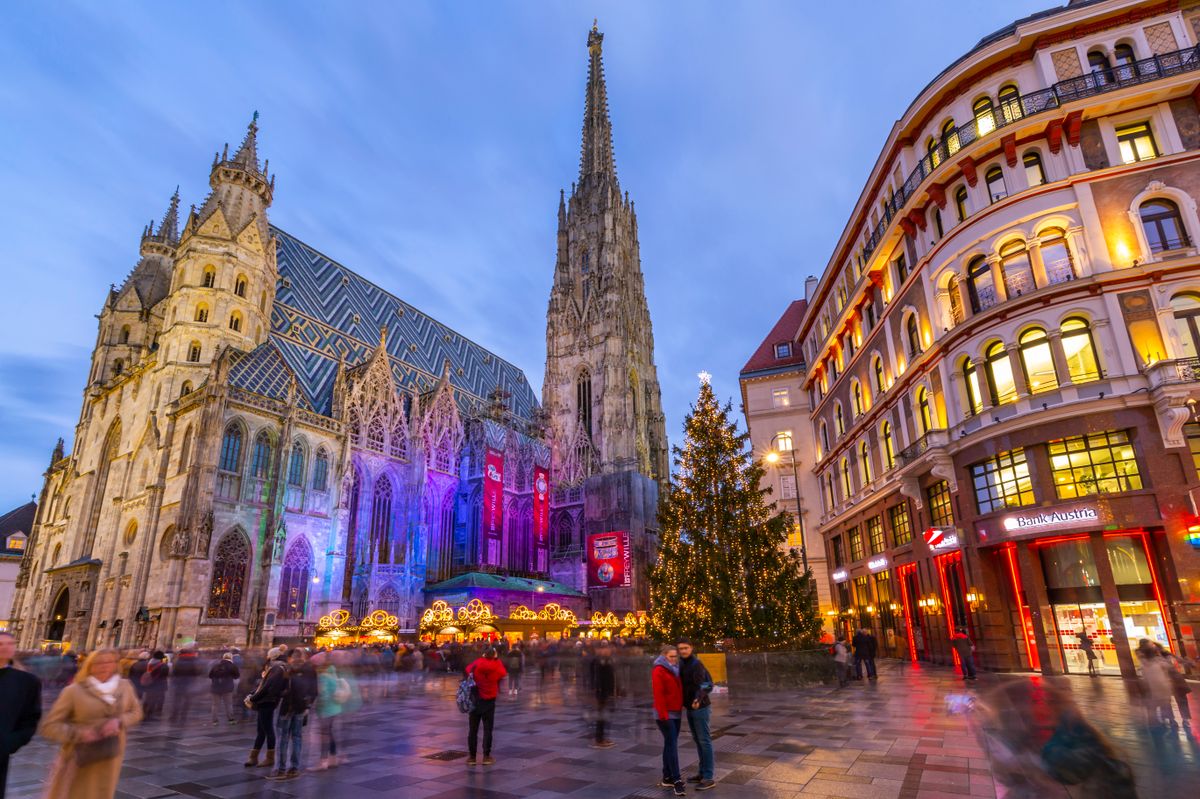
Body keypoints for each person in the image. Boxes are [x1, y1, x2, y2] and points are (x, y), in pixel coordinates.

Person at [39, 648, 143, 799]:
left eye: (109, 662)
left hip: (111, 754)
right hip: (79, 756)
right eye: (99, 662)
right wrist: (78, 733)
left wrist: (119, 721)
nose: (105, 666)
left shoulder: (125, 686)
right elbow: (50, 726)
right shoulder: (73, 691)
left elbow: (136, 712)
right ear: (89, 665)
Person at [0, 631, 42, 799]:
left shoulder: (27, 682)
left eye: (10, 644)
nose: (5, 648)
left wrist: (10, 743)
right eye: (0, 644)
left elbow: (30, 718)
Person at [269, 649, 317, 780]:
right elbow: (314, 690)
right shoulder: (310, 670)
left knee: (283, 738)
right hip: (301, 708)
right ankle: (294, 768)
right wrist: (308, 705)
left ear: (290, 658)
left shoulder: (286, 670)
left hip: (287, 707)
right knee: (297, 737)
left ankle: (281, 769)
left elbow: (276, 689)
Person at [676, 639, 715, 791]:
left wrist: (698, 698)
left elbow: (707, 684)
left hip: (700, 707)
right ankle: (702, 773)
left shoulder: (696, 664)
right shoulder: (682, 664)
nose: (683, 651)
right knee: (699, 741)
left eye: (686, 648)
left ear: (691, 648)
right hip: (690, 707)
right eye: (681, 649)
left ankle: (709, 777)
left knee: (704, 741)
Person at [244, 647, 287, 769]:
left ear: (272, 656)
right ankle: (253, 757)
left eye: (268, 656)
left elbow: (268, 687)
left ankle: (269, 757)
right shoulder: (275, 668)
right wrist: (253, 694)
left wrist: (253, 698)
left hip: (268, 701)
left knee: (268, 729)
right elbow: (263, 685)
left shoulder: (277, 668)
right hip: (265, 701)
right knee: (261, 730)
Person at [464, 647, 507, 766]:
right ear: (494, 655)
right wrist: (496, 660)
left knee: (473, 729)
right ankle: (486, 757)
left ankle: (472, 757)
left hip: (475, 700)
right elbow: (503, 673)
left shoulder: (477, 663)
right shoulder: (496, 665)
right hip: (489, 701)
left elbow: (468, 669)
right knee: (488, 729)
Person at [652, 645, 685, 797]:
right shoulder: (659, 670)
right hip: (664, 715)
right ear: (664, 656)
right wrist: (663, 715)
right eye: (671, 656)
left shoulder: (676, 668)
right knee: (672, 744)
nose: (674, 659)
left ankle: (667, 776)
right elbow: (658, 695)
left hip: (676, 712)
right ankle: (677, 780)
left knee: (669, 743)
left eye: (675, 656)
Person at [1137, 638, 1175, 730]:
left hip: (1153, 687)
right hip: (1160, 687)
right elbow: (1169, 666)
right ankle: (1168, 720)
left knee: (1154, 705)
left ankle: (1156, 722)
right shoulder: (1157, 661)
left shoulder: (1144, 661)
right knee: (1163, 703)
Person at [589, 641, 617, 748]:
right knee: (601, 716)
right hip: (601, 692)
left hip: (605, 691)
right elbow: (597, 678)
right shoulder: (599, 661)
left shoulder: (605, 660)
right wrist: (598, 690)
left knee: (604, 716)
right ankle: (599, 740)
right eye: (605, 649)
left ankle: (601, 737)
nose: (608, 650)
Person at [208, 653, 240, 725]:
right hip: (227, 688)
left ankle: (214, 721)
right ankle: (231, 720)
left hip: (215, 688)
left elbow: (210, 676)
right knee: (228, 704)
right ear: (231, 658)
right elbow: (237, 676)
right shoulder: (232, 666)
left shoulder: (216, 666)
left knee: (215, 705)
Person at [140, 651, 170, 720]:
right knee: (159, 698)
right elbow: (166, 674)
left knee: (148, 698)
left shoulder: (149, 663)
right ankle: (151, 713)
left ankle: (144, 711)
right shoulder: (163, 665)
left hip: (150, 683)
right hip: (160, 684)